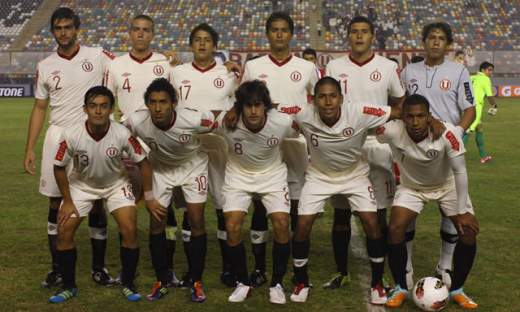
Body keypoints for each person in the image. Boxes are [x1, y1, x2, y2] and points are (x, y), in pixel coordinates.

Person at [23, 7, 115, 288]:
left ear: (77, 29)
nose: (63, 32)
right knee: (55, 202)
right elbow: (39, 107)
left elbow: (129, 68)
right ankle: (58, 268)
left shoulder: (97, 55)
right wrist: (30, 148)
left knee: (97, 201)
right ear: (53, 32)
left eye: (68, 27)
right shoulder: (45, 66)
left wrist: (166, 59)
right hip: (58, 136)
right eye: (58, 28)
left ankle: (99, 269)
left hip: (92, 136)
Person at [290, 77, 402, 304]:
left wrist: (430, 120)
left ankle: (377, 283)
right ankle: (301, 280)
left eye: (333, 96)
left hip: (354, 174)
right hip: (319, 175)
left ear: (341, 98)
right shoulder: (302, 114)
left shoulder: (360, 111)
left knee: (371, 223)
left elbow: (399, 111)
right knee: (302, 226)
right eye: (322, 96)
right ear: (314, 101)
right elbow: (271, 109)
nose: (328, 102)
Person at [49, 86, 152, 303]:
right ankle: (69, 286)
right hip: (81, 186)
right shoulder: (71, 134)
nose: (98, 111)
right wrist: (67, 201)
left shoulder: (122, 133)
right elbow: (59, 167)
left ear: (111, 109)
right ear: (85, 109)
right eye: (93, 106)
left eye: (104, 106)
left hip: (116, 184)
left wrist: (148, 196)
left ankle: (128, 283)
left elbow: (143, 163)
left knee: (129, 229)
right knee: (64, 230)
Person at [324, 16, 405, 289]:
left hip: (376, 146)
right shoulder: (334, 66)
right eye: (354, 32)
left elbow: (400, 101)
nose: (359, 36)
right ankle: (341, 271)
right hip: (342, 146)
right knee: (341, 212)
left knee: (378, 212)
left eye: (364, 32)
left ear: (373, 37)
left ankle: (378, 275)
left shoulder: (387, 67)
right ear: (348, 37)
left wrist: (390, 127)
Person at [379, 94, 479, 309]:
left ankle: (458, 289)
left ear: (429, 116)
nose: (415, 122)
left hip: (447, 186)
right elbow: (365, 125)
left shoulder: (447, 133)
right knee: (395, 227)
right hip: (411, 188)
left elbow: (460, 171)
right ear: (402, 117)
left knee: (469, 231)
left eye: (421, 116)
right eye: (410, 117)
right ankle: (400, 288)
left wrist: (462, 211)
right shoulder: (392, 130)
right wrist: (389, 113)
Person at [242, 12, 320, 286]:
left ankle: (296, 265)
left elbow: (320, 98)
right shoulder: (253, 66)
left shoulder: (307, 67)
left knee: (298, 206)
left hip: (296, 144)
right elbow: (243, 101)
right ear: (267, 33)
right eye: (274, 29)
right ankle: (261, 268)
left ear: (291, 34)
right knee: (262, 204)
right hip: (263, 144)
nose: (279, 34)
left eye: (284, 30)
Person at [104, 14, 180, 286]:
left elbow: (176, 102)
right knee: (126, 205)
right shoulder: (115, 65)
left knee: (163, 206)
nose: (140, 34)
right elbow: (106, 102)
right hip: (126, 144)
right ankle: (128, 269)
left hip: (159, 143)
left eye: (146, 30)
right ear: (129, 34)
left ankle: (167, 268)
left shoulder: (164, 63)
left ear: (153, 34)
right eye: (136, 30)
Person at [400, 21, 475, 289]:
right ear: (424, 41)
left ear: (448, 44)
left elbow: (470, 110)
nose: (435, 42)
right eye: (431, 37)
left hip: (446, 150)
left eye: (441, 38)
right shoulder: (409, 71)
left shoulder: (459, 71)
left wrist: (456, 133)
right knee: (409, 209)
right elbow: (401, 106)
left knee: (450, 208)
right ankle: (406, 264)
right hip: (413, 150)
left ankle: (444, 264)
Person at [127, 78, 215, 302]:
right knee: (156, 221)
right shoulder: (136, 121)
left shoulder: (194, 118)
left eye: (163, 102)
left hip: (193, 166)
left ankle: (195, 281)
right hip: (160, 169)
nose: (157, 108)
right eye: (153, 102)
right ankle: (162, 279)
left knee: (196, 220)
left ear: (174, 103)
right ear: (146, 104)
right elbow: (118, 134)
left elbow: (219, 120)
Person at [170, 23, 238, 288]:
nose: (201, 44)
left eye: (207, 40)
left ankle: (229, 266)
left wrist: (236, 71)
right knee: (190, 208)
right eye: (197, 40)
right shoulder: (177, 73)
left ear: (215, 45)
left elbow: (239, 105)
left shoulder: (228, 73)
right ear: (191, 44)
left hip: (219, 146)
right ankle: (191, 269)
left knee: (223, 205)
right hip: (187, 147)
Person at [217, 80, 296, 304]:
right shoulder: (226, 122)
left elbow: (303, 127)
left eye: (258, 105)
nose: (253, 111)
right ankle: (243, 282)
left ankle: (277, 283)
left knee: (281, 223)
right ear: (240, 106)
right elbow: (202, 118)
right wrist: (230, 110)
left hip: (272, 175)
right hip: (238, 175)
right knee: (232, 226)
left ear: (266, 106)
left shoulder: (281, 122)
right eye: (248, 105)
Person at [464, 61, 496, 163]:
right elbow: (489, 96)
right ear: (483, 70)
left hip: (465, 105)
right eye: (489, 70)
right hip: (475, 108)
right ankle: (453, 157)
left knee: (479, 129)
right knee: (467, 132)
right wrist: (494, 106)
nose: (491, 72)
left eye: (492, 70)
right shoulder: (485, 79)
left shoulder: (472, 77)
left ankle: (483, 156)